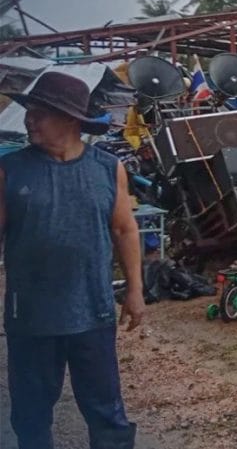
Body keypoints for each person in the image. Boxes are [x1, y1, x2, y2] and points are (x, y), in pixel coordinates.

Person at [0, 71, 145, 449]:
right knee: (30, 415)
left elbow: (124, 230)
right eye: (29, 111)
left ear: (70, 120)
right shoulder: (11, 171)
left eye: (40, 113)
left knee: (106, 412)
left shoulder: (107, 169)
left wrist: (135, 290)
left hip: (92, 312)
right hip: (31, 316)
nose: (29, 119)